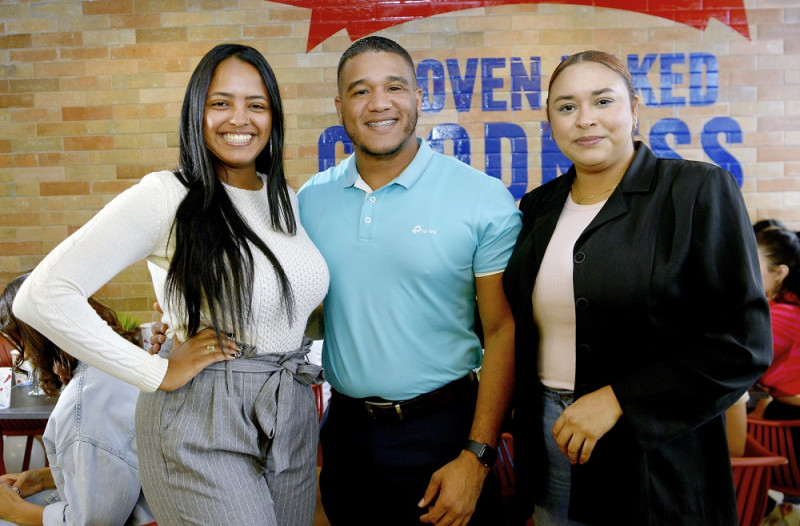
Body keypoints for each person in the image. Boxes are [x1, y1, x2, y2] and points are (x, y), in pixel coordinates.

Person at [13, 43, 329, 525]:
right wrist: (153, 372)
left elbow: (283, 302)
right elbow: (43, 295)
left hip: (288, 412)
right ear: (196, 111)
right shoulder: (168, 194)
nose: (238, 119)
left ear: (274, 117)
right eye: (220, 102)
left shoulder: (285, 198)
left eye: (256, 104)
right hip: (201, 418)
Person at [502, 50, 772, 525]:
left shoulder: (695, 190)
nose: (585, 120)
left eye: (602, 101)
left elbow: (743, 345)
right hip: (547, 438)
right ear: (550, 122)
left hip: (655, 450)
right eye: (566, 107)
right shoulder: (537, 207)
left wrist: (620, 398)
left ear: (634, 107)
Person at [297, 36, 521, 525]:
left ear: (419, 98)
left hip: (446, 431)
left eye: (394, 87)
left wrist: (477, 456)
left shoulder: (481, 198)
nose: (379, 103)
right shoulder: (309, 201)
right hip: (347, 432)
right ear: (339, 107)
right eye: (360, 91)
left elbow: (503, 331)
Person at [0, 273, 154, 526]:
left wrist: (14, 510)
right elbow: (123, 462)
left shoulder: (85, 405)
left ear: (37, 336)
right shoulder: (117, 366)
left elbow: (94, 521)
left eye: (21, 343)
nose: (25, 356)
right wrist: (44, 478)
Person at [756, 228, 800, 421]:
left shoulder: (784, 314)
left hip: (790, 416)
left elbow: (747, 360)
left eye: (755, 265)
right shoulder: (786, 304)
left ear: (780, 272)